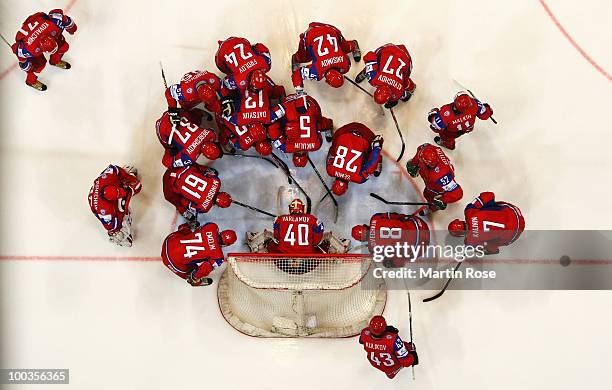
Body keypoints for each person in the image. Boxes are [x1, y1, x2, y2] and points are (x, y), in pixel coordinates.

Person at [12, 9, 77, 90]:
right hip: (27, 36)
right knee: (38, 67)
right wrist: (26, 66)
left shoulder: (54, 25)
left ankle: (54, 61)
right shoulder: (30, 48)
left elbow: (61, 16)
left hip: (41, 23)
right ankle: (31, 81)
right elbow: (16, 49)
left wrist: (71, 27)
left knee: (64, 47)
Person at [291, 22, 360, 92]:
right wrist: (299, 90)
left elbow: (346, 59)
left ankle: (353, 45)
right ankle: (296, 59)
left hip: (330, 30)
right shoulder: (316, 71)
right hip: (312, 33)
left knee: (345, 49)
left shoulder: (345, 66)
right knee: (303, 57)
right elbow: (298, 73)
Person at [162, 222, 236, 286]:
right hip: (170, 260)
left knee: (189, 232)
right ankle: (194, 282)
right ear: (227, 244)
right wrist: (194, 277)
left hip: (169, 241)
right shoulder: (218, 257)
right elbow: (205, 268)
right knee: (190, 275)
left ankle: (185, 226)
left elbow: (199, 230)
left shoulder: (212, 226)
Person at [448, 192, 525, 254]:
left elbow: (494, 250)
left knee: (488, 241)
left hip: (515, 234)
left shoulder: (471, 242)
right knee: (485, 207)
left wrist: (475, 248)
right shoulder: (469, 211)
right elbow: (490, 195)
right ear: (460, 221)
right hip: (515, 214)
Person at [271, 93, 333, 167]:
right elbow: (272, 127)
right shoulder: (286, 147)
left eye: (298, 153)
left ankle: (329, 124)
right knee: (317, 123)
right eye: (302, 153)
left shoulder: (316, 146)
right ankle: (328, 124)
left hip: (309, 102)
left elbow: (317, 127)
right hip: (292, 103)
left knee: (318, 123)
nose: (300, 152)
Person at [88, 165, 141, 247]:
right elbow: (111, 226)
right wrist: (130, 191)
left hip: (101, 193)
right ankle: (117, 235)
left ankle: (121, 184)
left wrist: (130, 178)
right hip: (99, 208)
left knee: (121, 179)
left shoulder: (107, 177)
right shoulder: (105, 212)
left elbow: (115, 169)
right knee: (120, 223)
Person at [352, 212, 430, 267]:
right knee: (400, 219)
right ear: (364, 226)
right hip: (421, 226)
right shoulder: (375, 218)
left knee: (390, 261)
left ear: (362, 240)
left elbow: (388, 259)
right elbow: (396, 215)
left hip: (420, 248)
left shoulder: (372, 249)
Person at [326, 122, 383, 196]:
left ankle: (379, 161)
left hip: (366, 135)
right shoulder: (330, 171)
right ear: (334, 182)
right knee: (334, 147)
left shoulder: (359, 179)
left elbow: (371, 165)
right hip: (345, 130)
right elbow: (331, 152)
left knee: (369, 165)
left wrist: (376, 147)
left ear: (347, 187)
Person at [162, 164, 232, 223]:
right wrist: (190, 216)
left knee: (201, 169)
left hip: (180, 167)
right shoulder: (204, 208)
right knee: (177, 203)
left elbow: (207, 171)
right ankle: (185, 214)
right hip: (169, 182)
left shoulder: (217, 181)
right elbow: (184, 202)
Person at [356, 43, 416, 108]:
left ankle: (411, 87)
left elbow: (370, 55)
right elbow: (370, 55)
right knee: (404, 80)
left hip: (395, 52)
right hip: (393, 52)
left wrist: (370, 67)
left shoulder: (397, 91)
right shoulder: (373, 79)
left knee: (404, 80)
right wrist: (369, 68)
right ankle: (411, 87)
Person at [406, 143, 463, 212]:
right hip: (434, 173)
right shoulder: (426, 150)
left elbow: (458, 193)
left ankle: (432, 208)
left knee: (428, 194)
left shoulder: (443, 176)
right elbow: (420, 152)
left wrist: (442, 200)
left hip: (438, 185)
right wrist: (414, 163)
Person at [155, 109, 221, 168]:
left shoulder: (210, 134)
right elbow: (166, 162)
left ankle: (200, 113)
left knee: (193, 118)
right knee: (169, 148)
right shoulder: (189, 157)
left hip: (174, 115)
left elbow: (211, 132)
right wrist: (170, 151)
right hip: (162, 128)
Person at [428, 91, 493, 150]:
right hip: (467, 128)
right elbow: (485, 115)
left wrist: (433, 115)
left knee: (446, 138)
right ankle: (450, 143)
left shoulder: (445, 113)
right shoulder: (474, 103)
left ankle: (449, 145)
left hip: (451, 132)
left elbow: (436, 128)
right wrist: (487, 108)